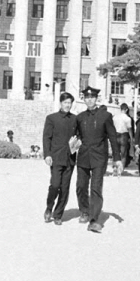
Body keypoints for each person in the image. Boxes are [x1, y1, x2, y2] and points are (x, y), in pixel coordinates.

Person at [75, 86, 122, 234]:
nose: (89, 100)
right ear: (84, 99)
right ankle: (84, 210)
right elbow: (75, 137)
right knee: (81, 186)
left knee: (96, 187)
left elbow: (113, 138)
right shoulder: (80, 117)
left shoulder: (105, 116)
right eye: (87, 98)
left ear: (96, 99)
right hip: (83, 155)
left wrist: (117, 158)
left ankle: (94, 220)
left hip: (99, 156)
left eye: (92, 98)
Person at [42, 92, 78, 225]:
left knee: (65, 187)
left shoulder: (75, 119)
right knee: (55, 185)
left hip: (70, 158)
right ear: (60, 103)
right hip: (56, 157)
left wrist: (76, 143)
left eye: (69, 103)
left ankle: (58, 214)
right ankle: (49, 207)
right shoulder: (51, 118)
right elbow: (47, 137)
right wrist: (47, 154)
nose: (67, 105)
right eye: (65, 103)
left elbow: (79, 136)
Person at [113, 103, 134, 171]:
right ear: (127, 109)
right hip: (124, 135)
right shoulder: (128, 118)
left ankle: (115, 167)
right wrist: (131, 138)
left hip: (115, 134)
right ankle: (121, 169)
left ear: (120, 108)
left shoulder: (115, 117)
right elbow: (129, 129)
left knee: (116, 153)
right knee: (123, 154)